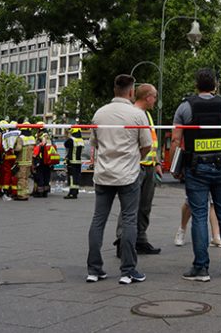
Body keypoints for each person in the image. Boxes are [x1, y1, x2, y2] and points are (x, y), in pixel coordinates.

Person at [170, 68, 221, 282]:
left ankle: (201, 268)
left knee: (199, 216)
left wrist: (175, 168)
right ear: (215, 85)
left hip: (196, 168)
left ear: (196, 85)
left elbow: (176, 140)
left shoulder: (185, 107)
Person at [86, 74, 151, 285]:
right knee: (129, 220)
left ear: (115, 90)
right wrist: (135, 159)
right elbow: (147, 145)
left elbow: (93, 144)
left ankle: (94, 270)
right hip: (128, 175)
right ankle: (128, 270)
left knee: (98, 220)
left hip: (103, 174)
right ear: (131, 92)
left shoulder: (99, 114)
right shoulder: (137, 115)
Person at [134, 83, 162, 255]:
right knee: (130, 207)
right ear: (148, 97)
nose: (156, 100)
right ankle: (123, 241)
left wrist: (157, 162)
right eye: (155, 96)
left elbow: (151, 142)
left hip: (149, 166)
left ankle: (141, 239)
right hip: (136, 166)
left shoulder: (148, 116)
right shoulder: (134, 114)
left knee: (145, 207)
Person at [33, 131, 59, 197]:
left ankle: (40, 192)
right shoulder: (51, 145)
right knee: (46, 177)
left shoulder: (40, 145)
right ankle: (45, 192)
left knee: (40, 177)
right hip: (48, 163)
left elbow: (35, 155)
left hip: (41, 163)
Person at [15, 122, 35, 201]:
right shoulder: (32, 138)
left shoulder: (21, 138)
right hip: (29, 162)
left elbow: (18, 149)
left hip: (22, 161)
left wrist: (13, 149)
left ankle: (21, 195)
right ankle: (26, 193)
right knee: (26, 178)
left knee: (21, 178)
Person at [64, 128, 85, 200]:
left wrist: (68, 136)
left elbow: (66, 145)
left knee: (72, 177)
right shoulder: (81, 140)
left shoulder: (71, 140)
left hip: (72, 161)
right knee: (76, 177)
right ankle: (76, 192)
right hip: (78, 161)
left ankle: (72, 192)